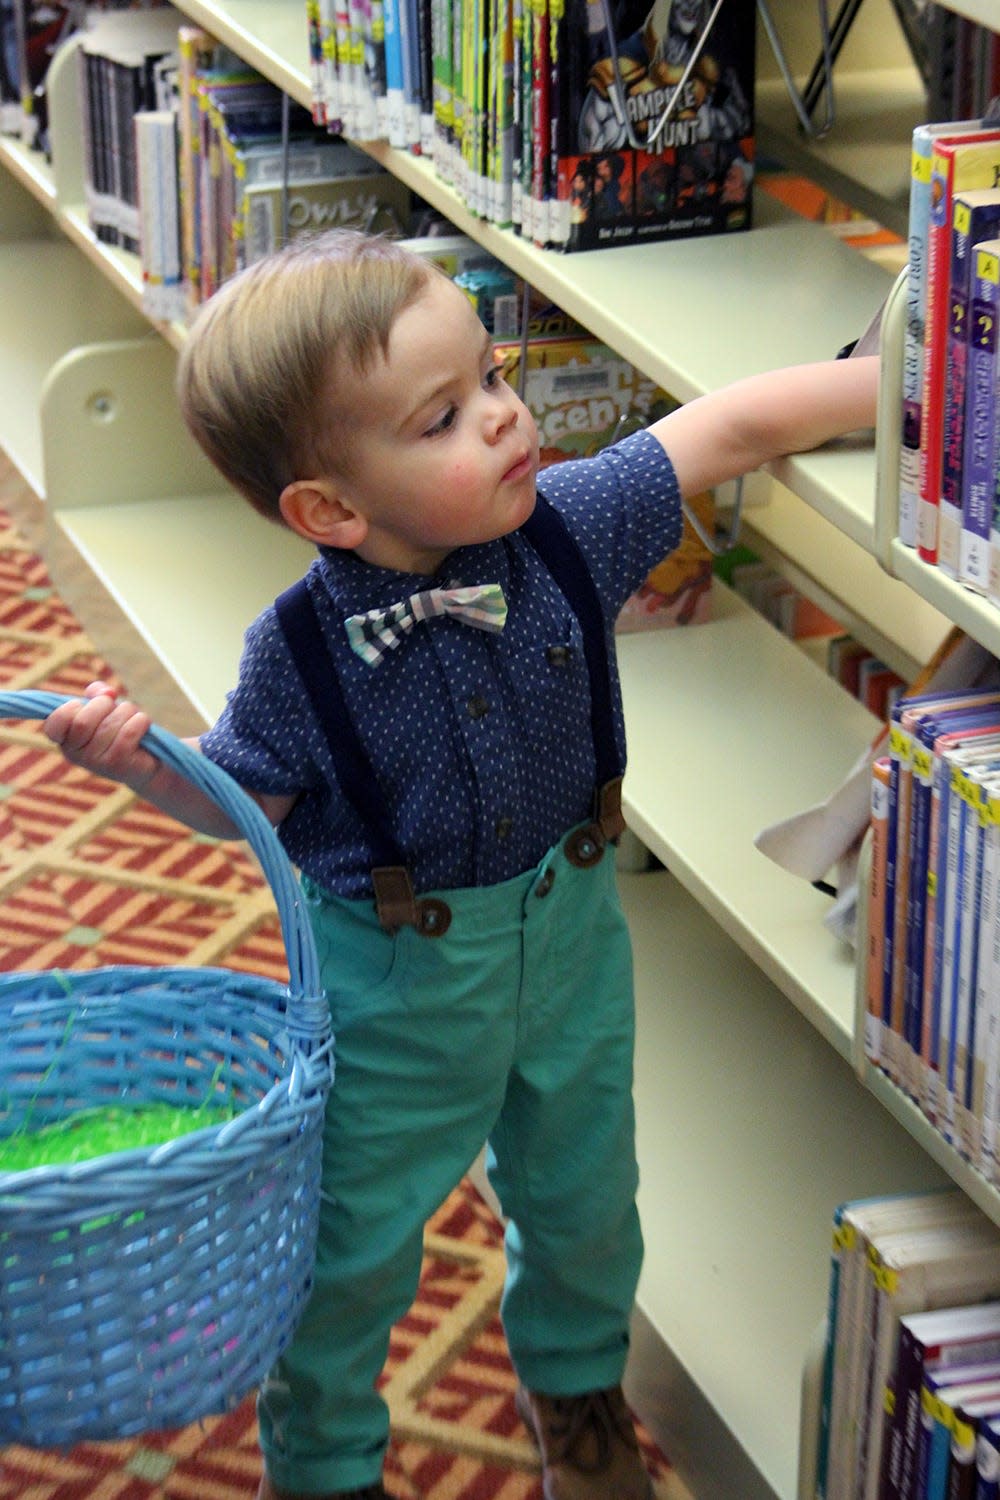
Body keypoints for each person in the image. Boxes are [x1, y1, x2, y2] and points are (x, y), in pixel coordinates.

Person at [43, 229, 879, 1500]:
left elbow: (730, 428)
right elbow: (244, 801)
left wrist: (913, 391)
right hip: (394, 978)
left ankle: (579, 1390)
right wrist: (141, 767)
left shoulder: (570, 528)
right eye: (444, 416)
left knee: (590, 1192)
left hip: (576, 933)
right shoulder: (297, 654)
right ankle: (321, 1462)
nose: (505, 419)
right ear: (330, 510)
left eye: (492, 376)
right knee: (353, 1240)